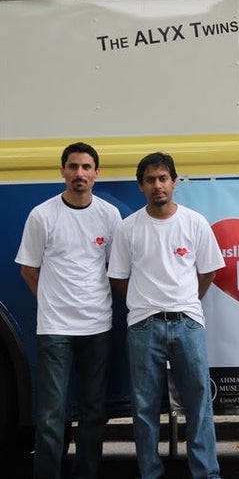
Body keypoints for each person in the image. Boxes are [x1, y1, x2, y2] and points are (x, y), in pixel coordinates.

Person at [108, 152, 224, 479]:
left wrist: (186, 302)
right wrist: (143, 305)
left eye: (163, 179)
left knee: (199, 405)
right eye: (150, 180)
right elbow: (118, 277)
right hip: (144, 327)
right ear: (140, 186)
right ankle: (150, 473)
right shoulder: (128, 229)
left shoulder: (194, 222)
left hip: (188, 324)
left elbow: (208, 272)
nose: (157, 186)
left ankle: (206, 474)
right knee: (144, 410)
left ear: (174, 182)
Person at [15, 142, 121, 479]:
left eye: (86, 167)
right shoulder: (42, 215)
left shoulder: (109, 215)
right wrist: (49, 301)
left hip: (97, 326)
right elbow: (28, 270)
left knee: (93, 412)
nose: (79, 174)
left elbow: (115, 268)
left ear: (96, 173)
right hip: (55, 329)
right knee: (50, 414)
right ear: (62, 171)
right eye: (73, 167)